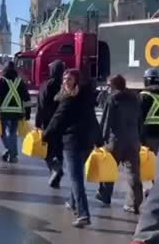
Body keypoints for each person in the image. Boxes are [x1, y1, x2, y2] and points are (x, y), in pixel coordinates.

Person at [43, 69, 102, 228]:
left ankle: (83, 214)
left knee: (76, 179)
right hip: (86, 143)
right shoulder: (85, 98)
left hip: (72, 144)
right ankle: (72, 202)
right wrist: (98, 141)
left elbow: (57, 120)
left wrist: (44, 136)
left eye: (70, 79)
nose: (66, 82)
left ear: (76, 82)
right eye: (65, 79)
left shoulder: (68, 100)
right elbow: (93, 120)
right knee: (77, 175)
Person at [96, 75, 142, 214]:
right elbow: (139, 118)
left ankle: (105, 196)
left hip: (115, 140)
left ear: (114, 86)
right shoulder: (135, 98)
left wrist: (100, 140)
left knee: (108, 168)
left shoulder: (113, 99)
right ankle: (135, 203)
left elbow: (106, 120)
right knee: (133, 173)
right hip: (133, 140)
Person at [0, 61, 31, 163]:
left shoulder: (1, 81)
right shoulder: (20, 82)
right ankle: (12, 153)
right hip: (17, 113)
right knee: (12, 133)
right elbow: (26, 99)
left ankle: (11, 152)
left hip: (4, 112)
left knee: (3, 134)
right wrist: (28, 112)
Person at [35, 60, 65, 189]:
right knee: (59, 151)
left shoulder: (45, 86)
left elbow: (40, 106)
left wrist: (37, 123)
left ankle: (55, 169)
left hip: (48, 123)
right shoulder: (66, 85)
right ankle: (56, 177)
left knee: (47, 152)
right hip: (64, 124)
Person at [140, 68, 159, 153]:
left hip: (148, 134)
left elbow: (137, 117)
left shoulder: (144, 96)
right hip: (156, 135)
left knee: (146, 162)